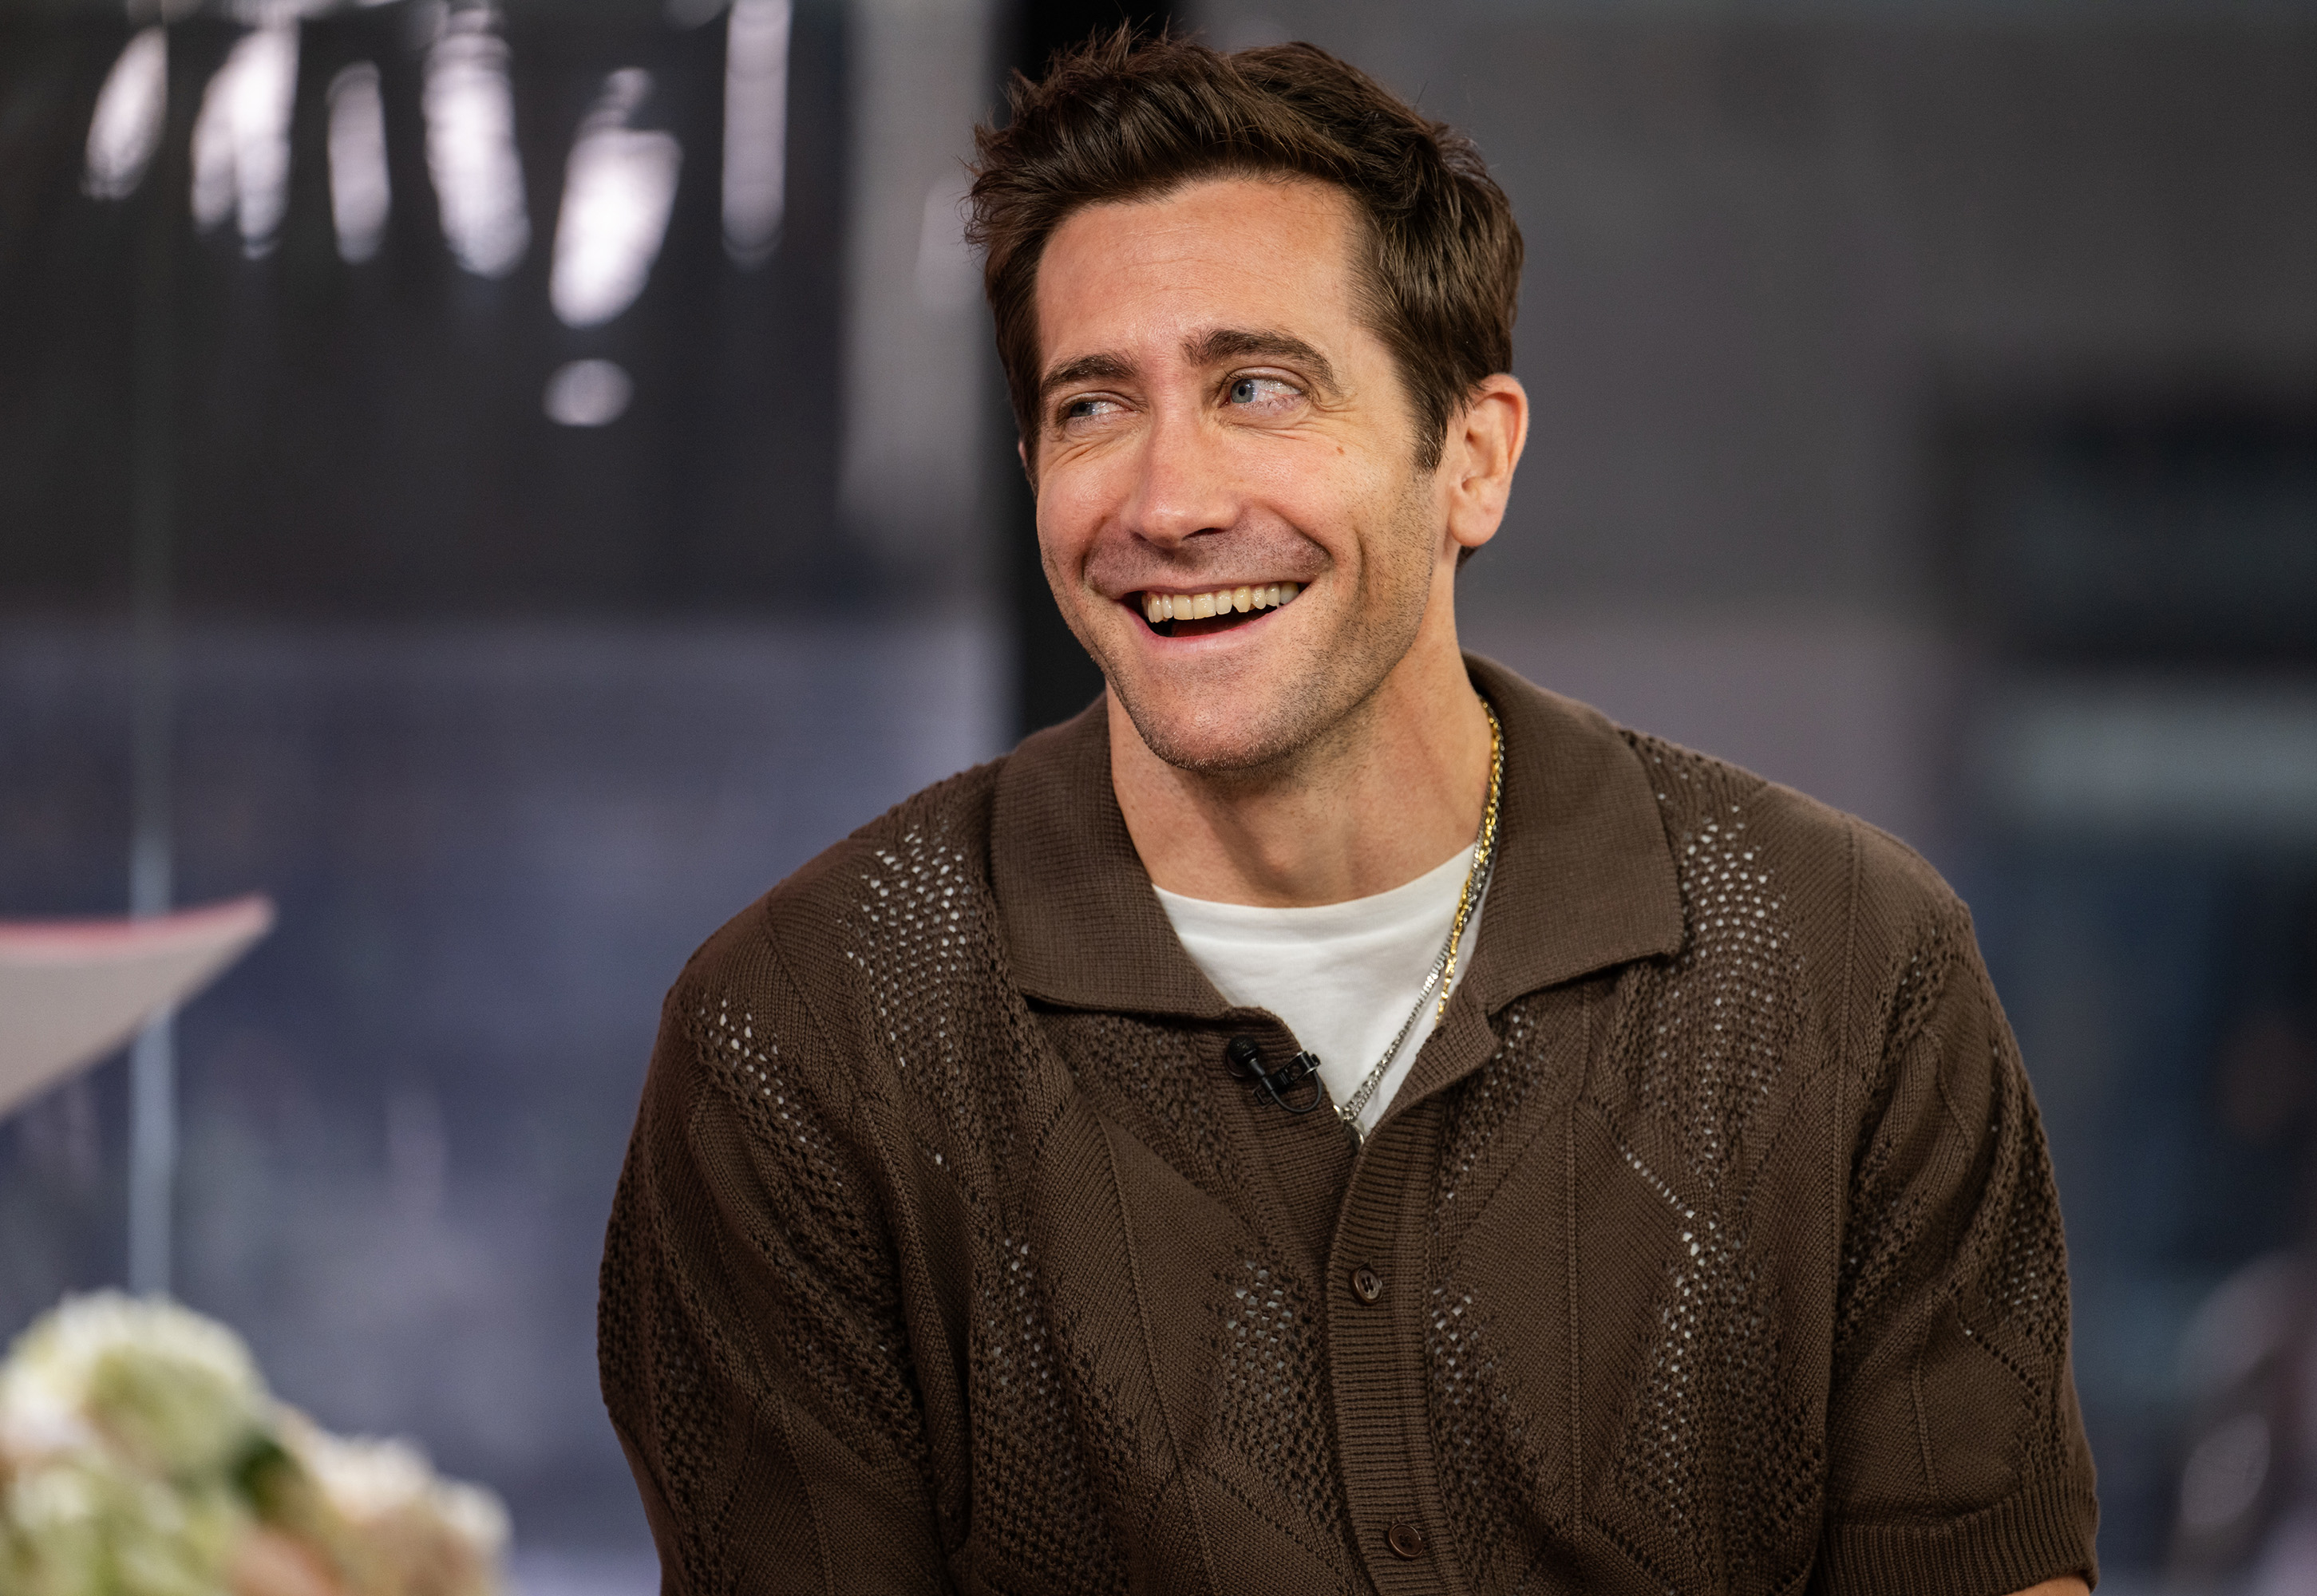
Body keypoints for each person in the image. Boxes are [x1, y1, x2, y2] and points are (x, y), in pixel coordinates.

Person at [600, 31, 2099, 1595]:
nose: (1167, 502)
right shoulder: (805, 1034)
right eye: (1096, 407)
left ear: (1472, 457)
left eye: (1258, 387)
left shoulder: (1851, 964)